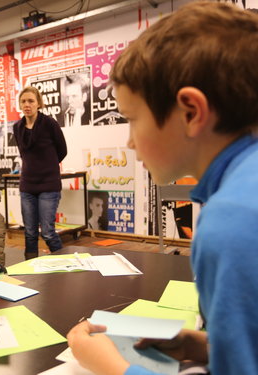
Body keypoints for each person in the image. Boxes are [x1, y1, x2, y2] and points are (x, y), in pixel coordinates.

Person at [67, 2, 258, 374]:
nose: (130, 143)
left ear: (191, 112)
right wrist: (202, 345)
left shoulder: (232, 220)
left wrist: (115, 368)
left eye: (132, 119)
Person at [13, 86, 67, 259]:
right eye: (23, 101)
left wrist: (47, 166)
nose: (27, 104)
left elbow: (62, 150)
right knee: (29, 233)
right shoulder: (17, 127)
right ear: (20, 105)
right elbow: (24, 153)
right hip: (27, 185)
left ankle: (64, 262)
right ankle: (30, 269)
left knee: (48, 232)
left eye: (31, 101)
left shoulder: (49, 123)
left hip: (49, 185)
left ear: (38, 103)